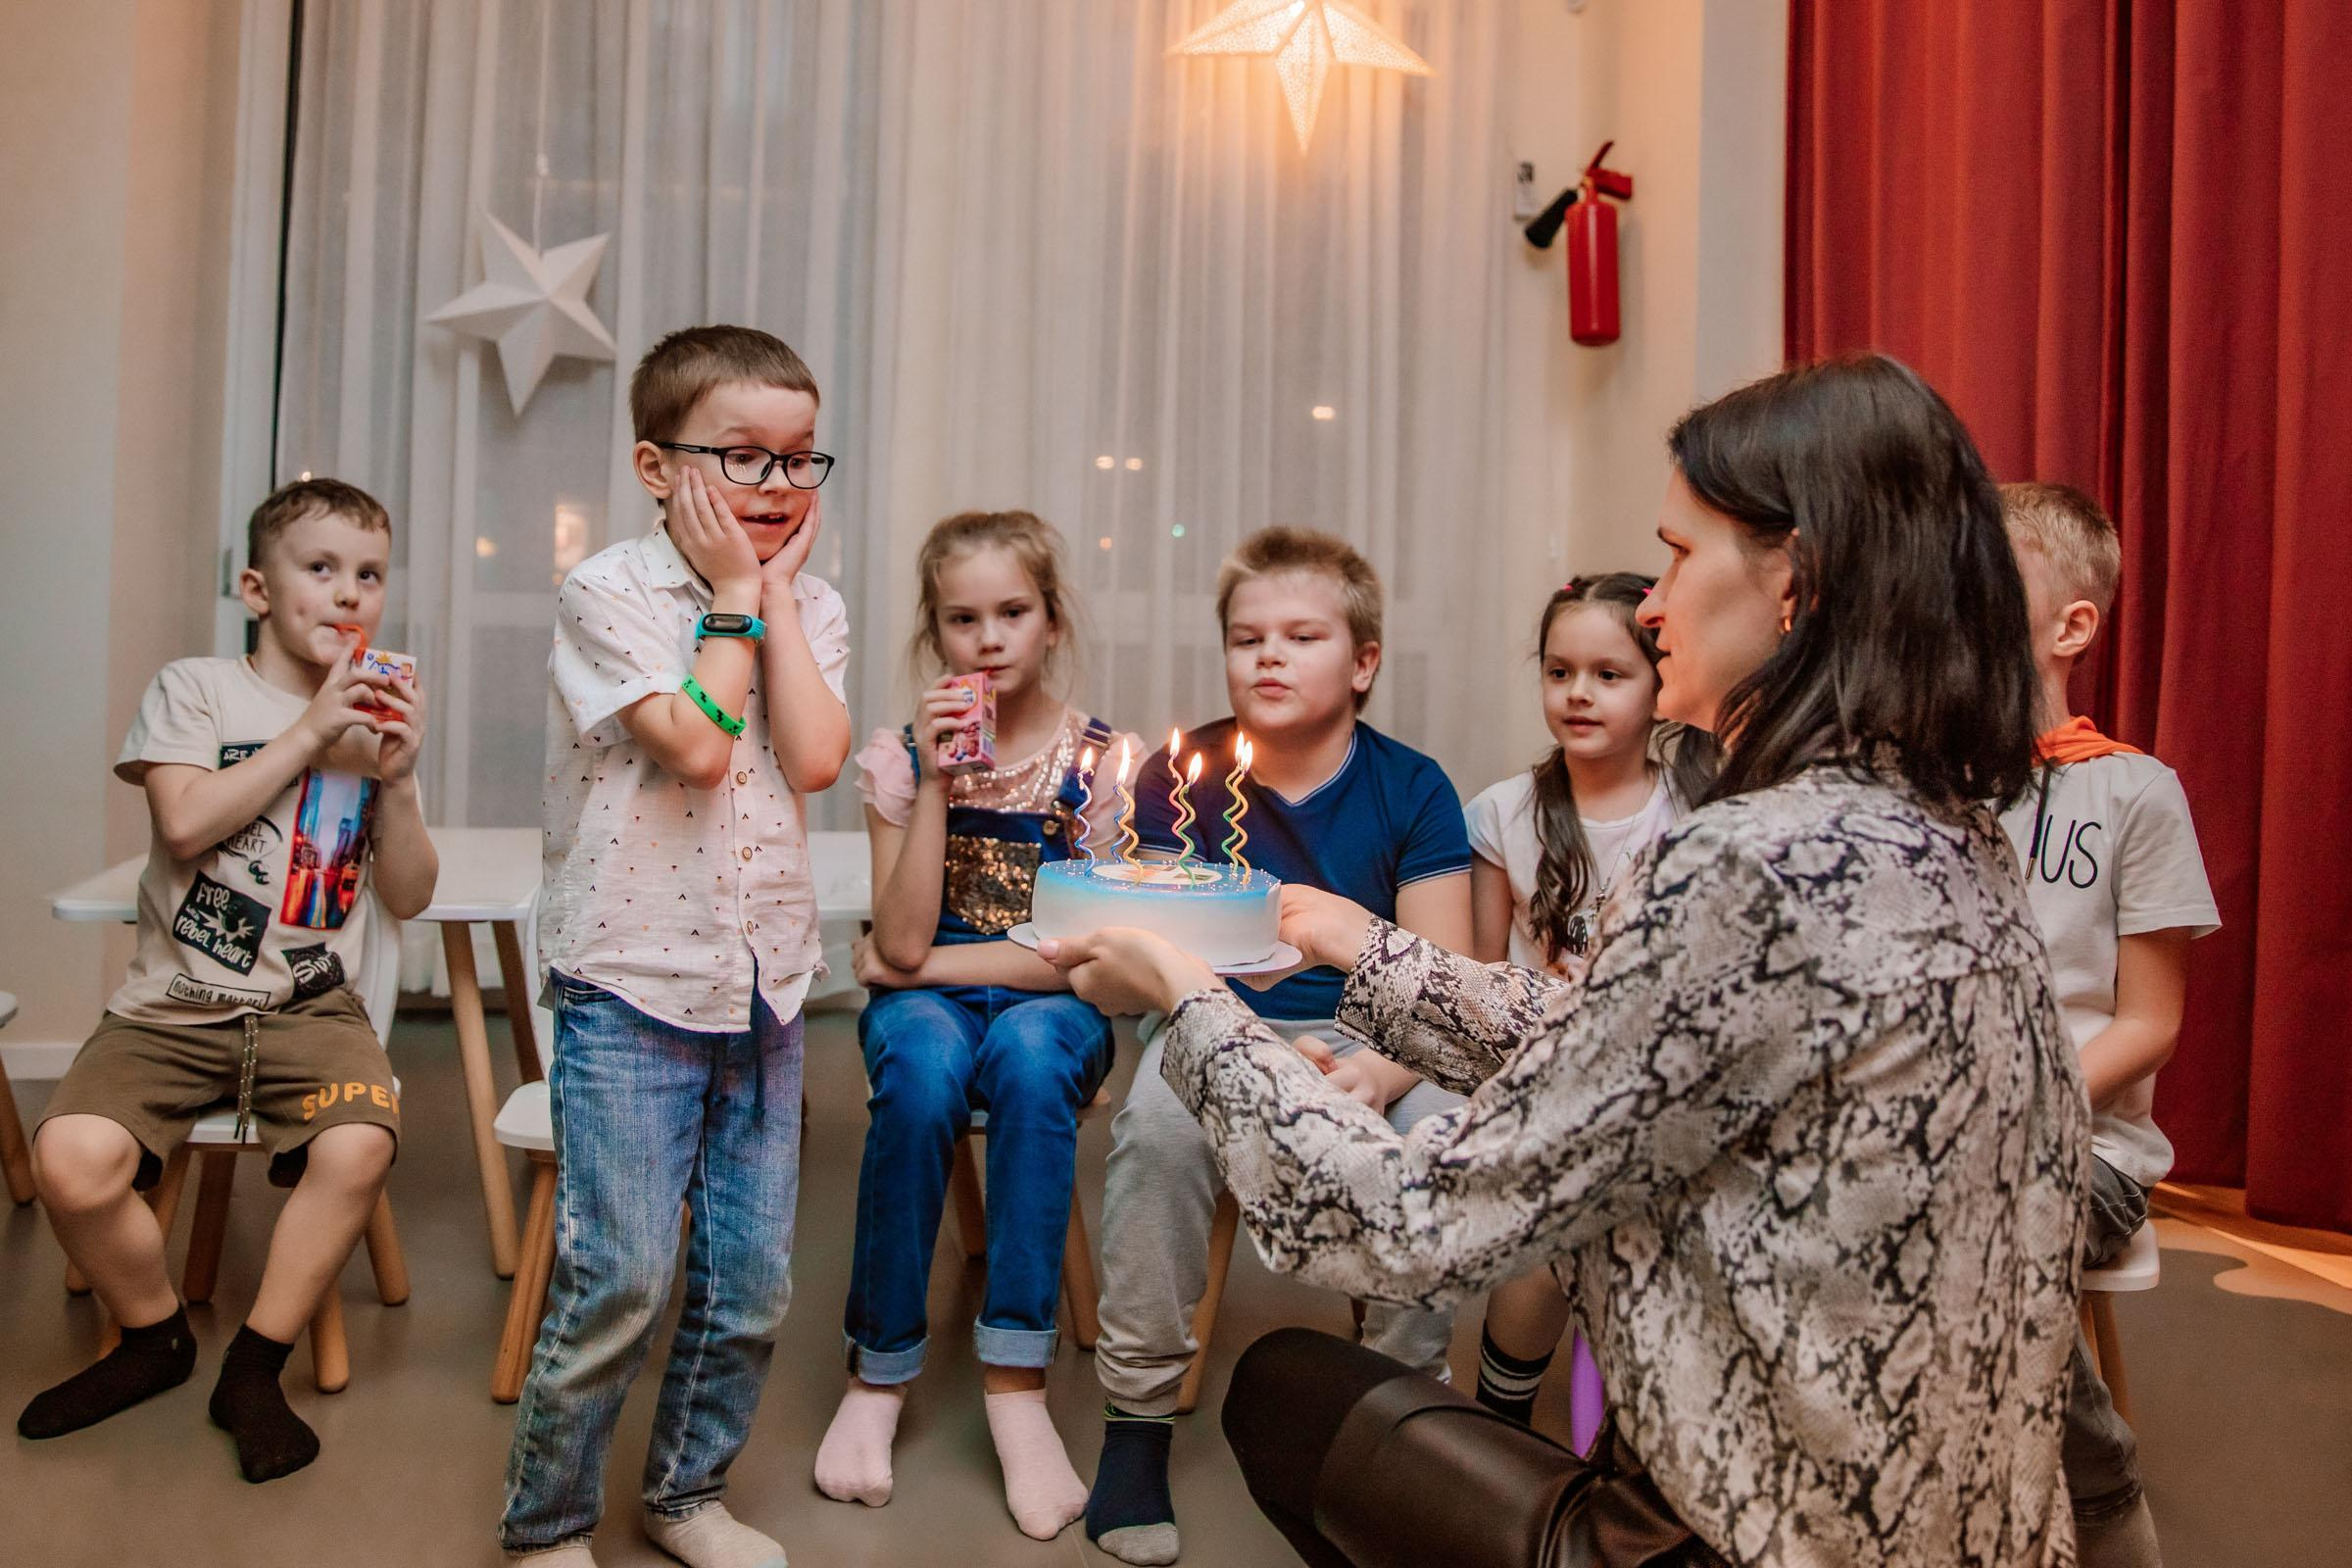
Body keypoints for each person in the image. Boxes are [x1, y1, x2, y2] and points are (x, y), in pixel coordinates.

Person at [1046, 355, 2090, 1567]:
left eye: (1679, 559)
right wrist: (1358, 941)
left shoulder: (1751, 860)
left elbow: (1415, 1218)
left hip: (1745, 1537)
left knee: (1285, 1390)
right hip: (1972, 1527)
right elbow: (1622, 1055)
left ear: (1794, 581)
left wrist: (1186, 995)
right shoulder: (1948, 821)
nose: (1651, 607)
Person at [500, 325, 852, 1568]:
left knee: (751, 1285)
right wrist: (740, 597)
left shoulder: (817, 600)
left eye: (801, 461)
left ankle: (688, 1492)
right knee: (621, 1281)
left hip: (765, 979)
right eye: (743, 457)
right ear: (658, 467)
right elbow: (699, 742)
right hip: (631, 979)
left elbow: (811, 757)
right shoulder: (606, 592)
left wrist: (779, 605)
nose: (776, 487)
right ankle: (547, 1522)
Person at [20, 478, 434, 1484]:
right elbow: (184, 823)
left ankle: (254, 1367)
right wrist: (308, 733)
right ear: (258, 585)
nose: (348, 594)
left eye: (368, 575)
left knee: (361, 1140)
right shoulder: (197, 689)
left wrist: (402, 778)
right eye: (321, 568)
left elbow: (411, 896)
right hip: (170, 1008)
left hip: (307, 1006)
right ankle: (157, 1335)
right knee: (68, 1161)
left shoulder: (374, 718)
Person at [1083, 526, 1473, 1567]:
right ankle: (1136, 1422)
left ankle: (1400, 1410)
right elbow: (1145, 962)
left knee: (1433, 1138)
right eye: (1246, 636)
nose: (1268, 655)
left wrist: (1373, 1072)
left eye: (1302, 634)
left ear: (1364, 662)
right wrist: (1236, 1041)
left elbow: (1442, 978)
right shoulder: (1180, 775)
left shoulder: (1414, 787)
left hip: (1378, 1036)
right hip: (1213, 1019)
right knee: (1158, 1138)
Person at [814, 509, 1139, 1541]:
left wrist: (910, 962)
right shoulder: (899, 761)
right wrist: (941, 785)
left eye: (1013, 612)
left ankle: (1015, 1383)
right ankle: (878, 1375)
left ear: (1051, 621)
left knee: (1038, 1064)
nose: (989, 638)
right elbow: (904, 943)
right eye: (963, 618)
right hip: (933, 1000)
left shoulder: (1099, 765)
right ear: (935, 630)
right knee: (916, 1068)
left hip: (1052, 1005)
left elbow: (1082, 965)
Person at [1998, 481, 2216, 1568]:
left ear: (2071, 625)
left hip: (2090, 1146)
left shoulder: (2136, 793)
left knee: (1983, 1239)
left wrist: (2015, 1111)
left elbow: (2152, 1022)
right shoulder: (1926, 786)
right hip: (1947, 1139)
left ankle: (2097, 1482)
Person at [1462, 573, 1712, 1446]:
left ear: (1659, 685)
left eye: (1609, 674)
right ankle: (1500, 1418)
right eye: (1560, 671)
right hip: (1538, 1078)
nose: (1578, 693)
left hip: (1659, 1084)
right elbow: (1479, 980)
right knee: (1556, 1208)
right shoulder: (1502, 813)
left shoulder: (1701, 817)